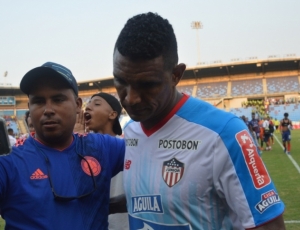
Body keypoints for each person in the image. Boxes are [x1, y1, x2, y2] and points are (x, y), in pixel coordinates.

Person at [113, 12, 285, 229]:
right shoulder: (131, 132)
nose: (130, 98)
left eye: (147, 85)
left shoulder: (223, 133)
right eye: (120, 81)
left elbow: (270, 224)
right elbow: (148, 199)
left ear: (176, 75)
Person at [0, 62, 125, 229]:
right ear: (29, 108)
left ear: (78, 105)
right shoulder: (10, 161)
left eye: (58, 99)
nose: (48, 109)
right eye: (39, 101)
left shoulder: (103, 147)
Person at [84, 92, 129, 230]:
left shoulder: (125, 147)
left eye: (96, 104)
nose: (88, 107)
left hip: (120, 225)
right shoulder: (79, 146)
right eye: (88, 103)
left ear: (112, 114)